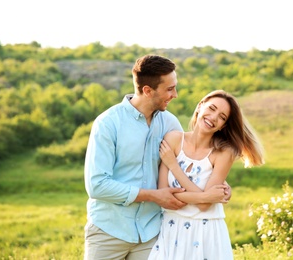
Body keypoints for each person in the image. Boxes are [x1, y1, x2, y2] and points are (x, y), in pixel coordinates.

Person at [84, 55, 231, 260]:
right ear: (147, 90)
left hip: (152, 233)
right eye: (169, 89)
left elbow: (188, 165)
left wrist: (219, 184)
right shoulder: (108, 124)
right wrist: (153, 195)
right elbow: (97, 185)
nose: (175, 94)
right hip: (109, 231)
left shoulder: (170, 124)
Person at [148, 90, 265, 260]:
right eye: (211, 108)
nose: (214, 117)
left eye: (222, 117)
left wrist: (174, 166)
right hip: (171, 230)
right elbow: (164, 196)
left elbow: (204, 206)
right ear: (200, 106)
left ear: (223, 126)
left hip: (206, 233)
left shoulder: (224, 153)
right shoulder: (173, 139)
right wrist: (205, 196)